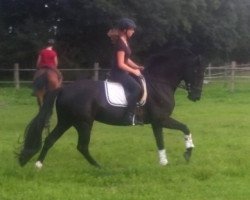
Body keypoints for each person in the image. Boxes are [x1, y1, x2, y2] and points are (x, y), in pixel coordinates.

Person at [109, 18, 144, 125]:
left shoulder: (125, 42)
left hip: (122, 73)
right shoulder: (120, 44)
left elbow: (127, 59)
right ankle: (128, 116)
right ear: (124, 30)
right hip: (117, 74)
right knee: (136, 88)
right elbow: (120, 64)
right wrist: (134, 71)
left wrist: (137, 66)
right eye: (131, 29)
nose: (133, 31)